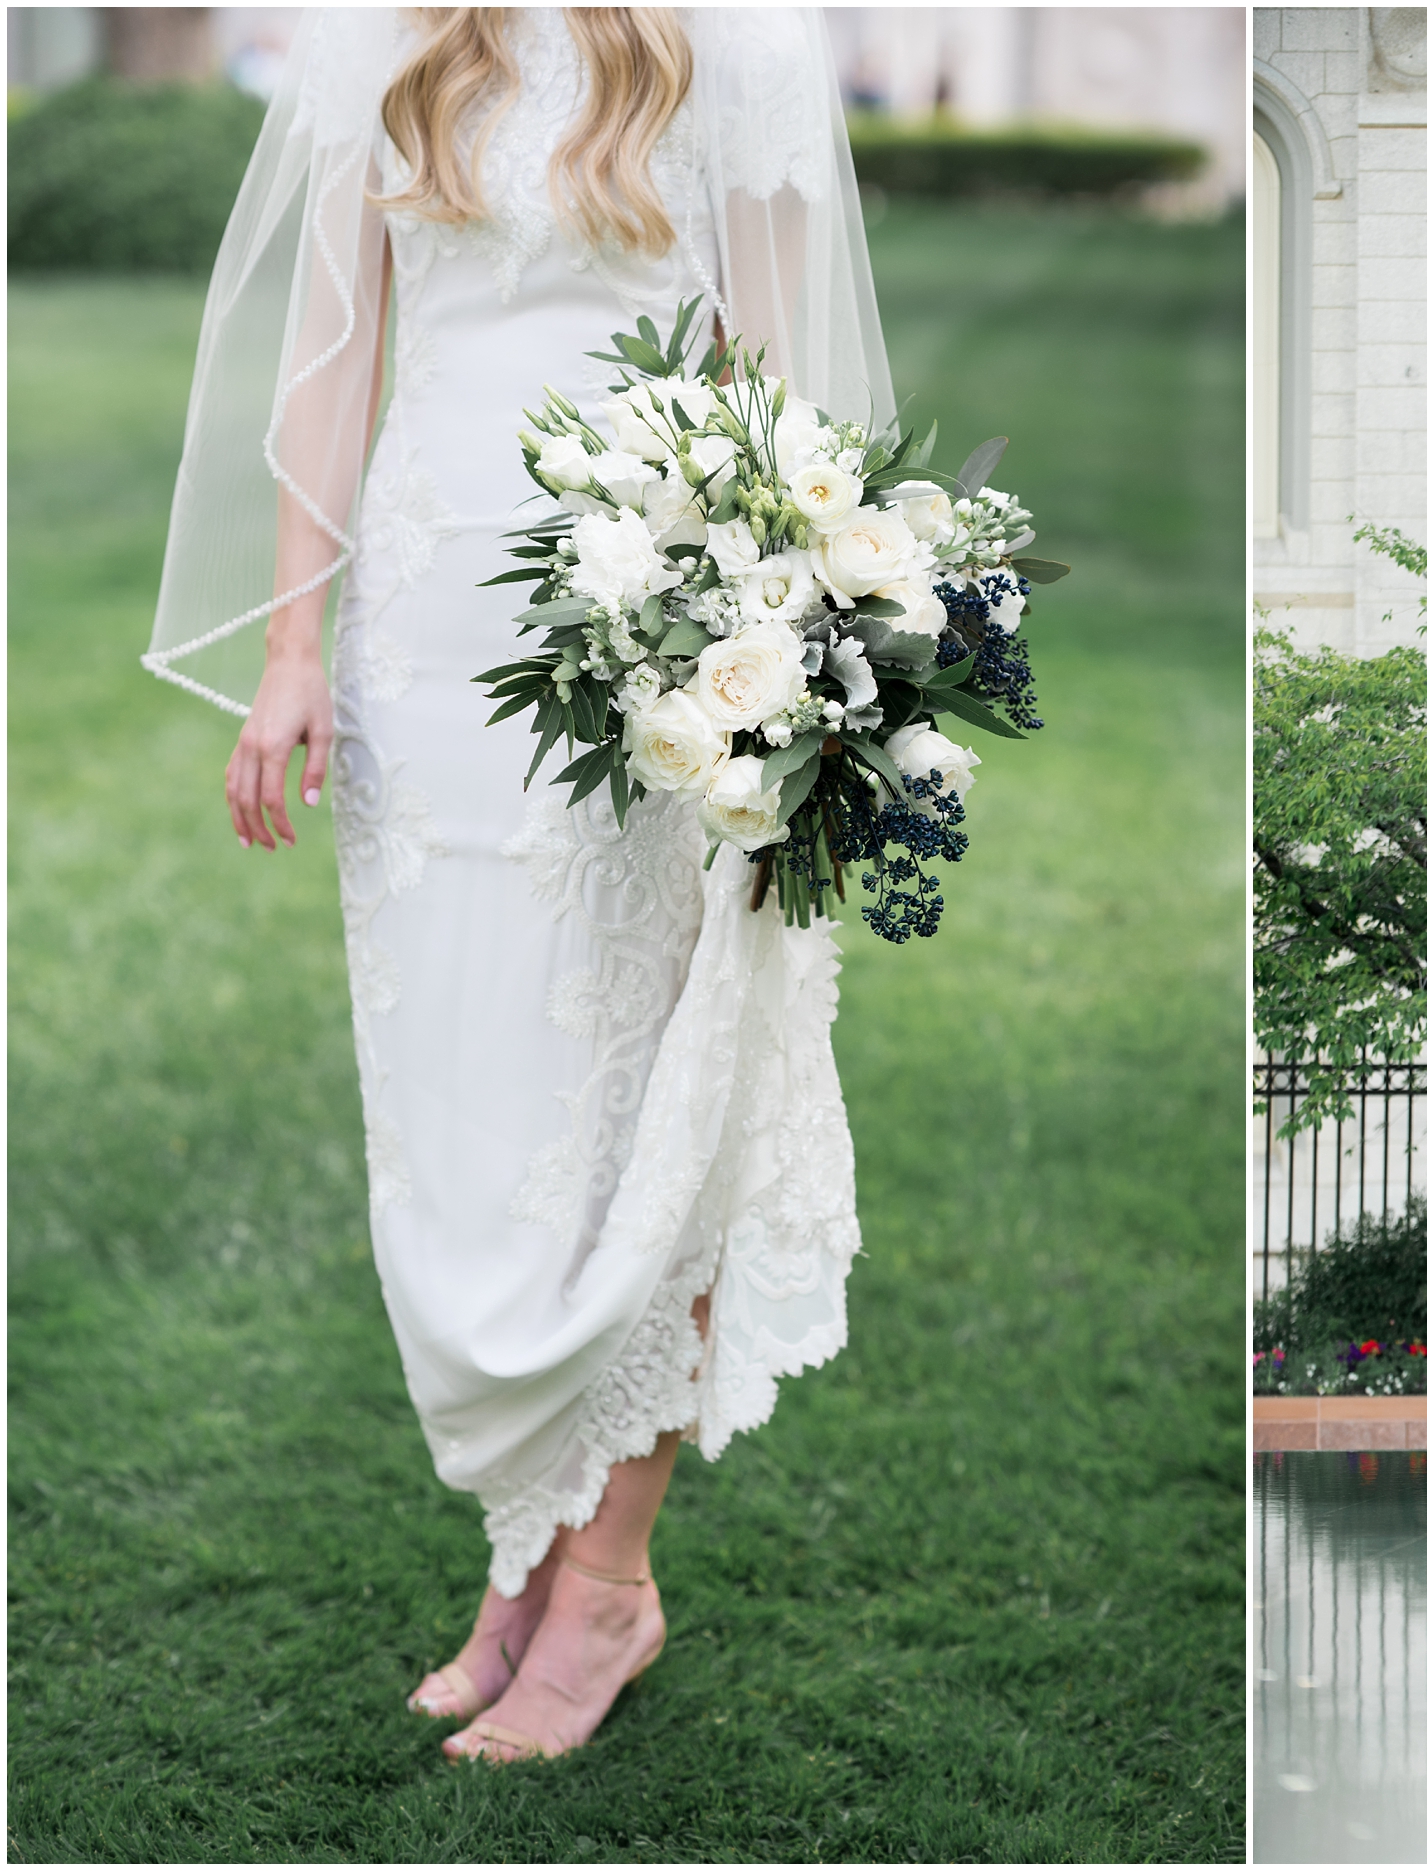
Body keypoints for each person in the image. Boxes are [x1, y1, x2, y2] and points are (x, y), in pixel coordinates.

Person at [143, 8, 889, 1761]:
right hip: (424, 631)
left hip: (649, 647)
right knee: (469, 1110)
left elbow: (781, 388)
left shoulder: (746, 46)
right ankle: (528, 1552)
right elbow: (329, 363)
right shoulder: (378, 38)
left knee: (652, 1083)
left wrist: (774, 665)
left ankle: (608, 1579)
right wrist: (292, 647)